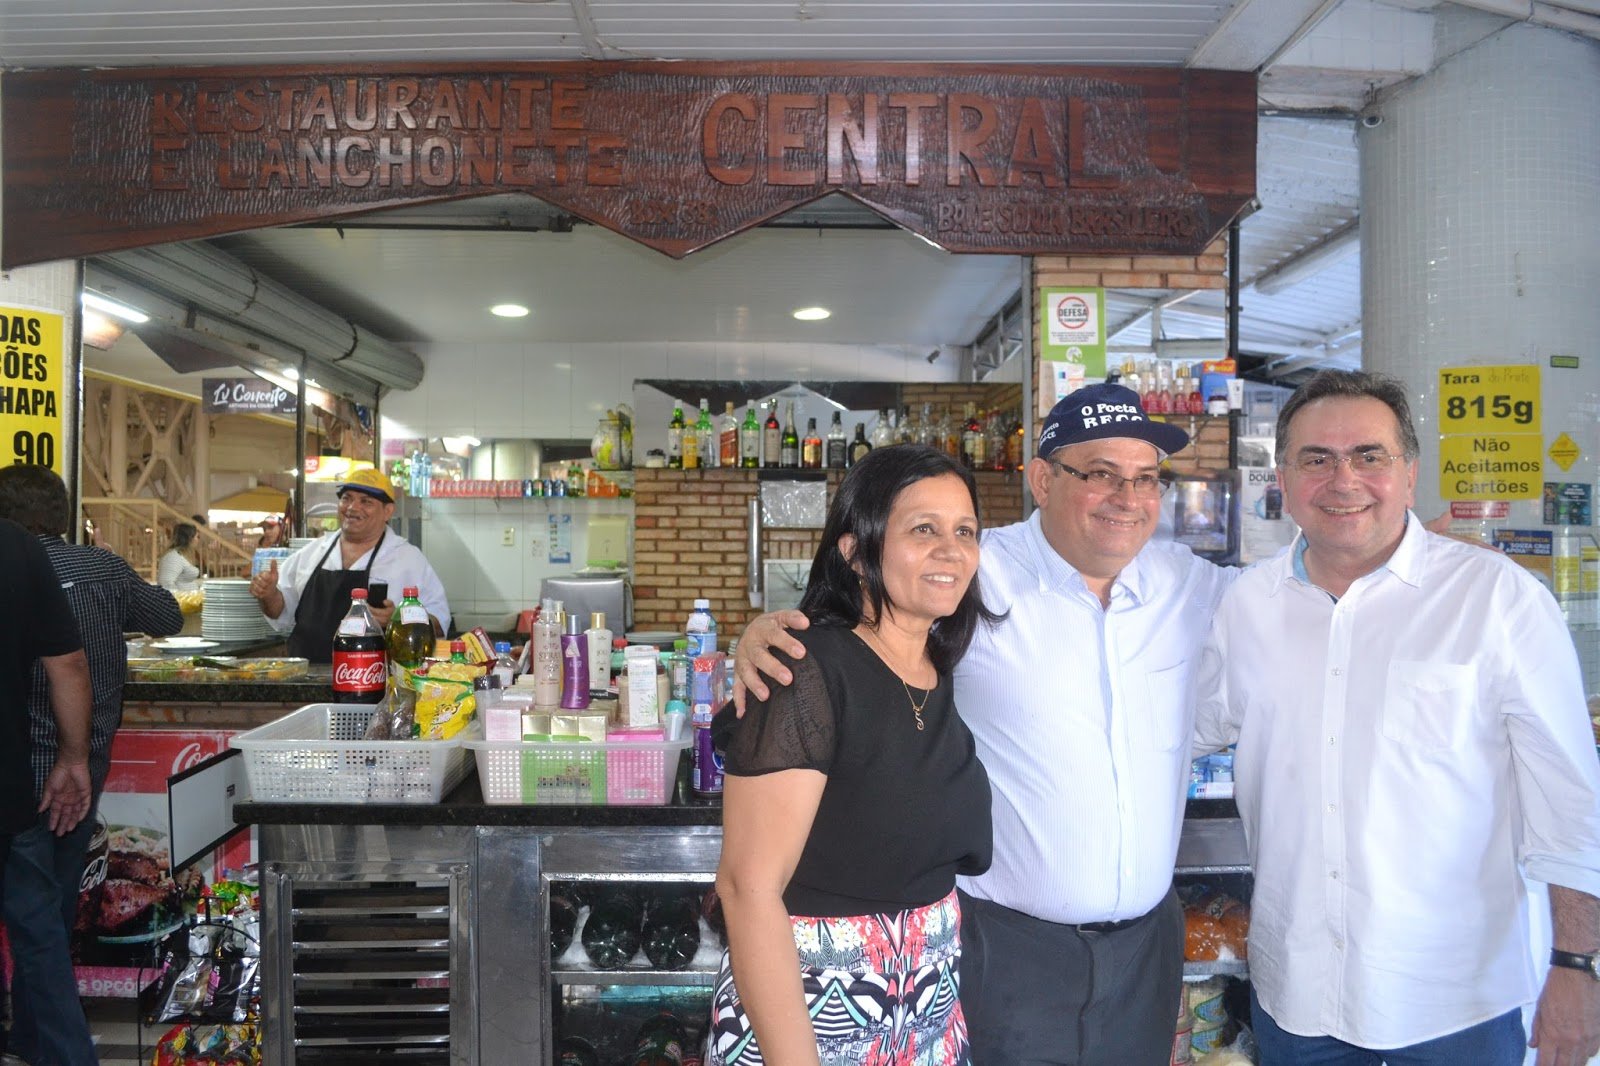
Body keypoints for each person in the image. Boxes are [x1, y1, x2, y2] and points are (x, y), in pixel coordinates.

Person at [736, 382, 1231, 1065]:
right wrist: (761, 633)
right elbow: (857, 619)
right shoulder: (971, 570)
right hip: (1006, 953)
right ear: (1041, 479)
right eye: (1101, 474)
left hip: (1143, 955)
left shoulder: (1190, 585)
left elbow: (1301, 597)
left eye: (1146, 479)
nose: (1129, 498)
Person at [1191, 369, 1600, 1065]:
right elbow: (1179, 732)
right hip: (1300, 999)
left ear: (1409, 476)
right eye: (1316, 459)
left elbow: (1569, 802)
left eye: (1369, 456)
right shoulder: (1247, 607)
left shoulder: (1496, 599)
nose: (1342, 478)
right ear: (1284, 480)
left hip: (1455, 1004)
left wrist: (1578, 965)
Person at [707, 444, 996, 1065]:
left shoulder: (933, 667)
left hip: (924, 1020)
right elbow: (747, 887)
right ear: (855, 551)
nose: (952, 549)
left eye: (965, 531)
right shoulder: (807, 672)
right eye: (924, 529)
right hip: (812, 1019)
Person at [0, 464, 183, 1066]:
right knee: (46, 914)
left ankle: (38, 1036)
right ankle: (44, 1039)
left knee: (37, 916)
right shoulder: (97, 567)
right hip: (78, 761)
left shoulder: (19, 561)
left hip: (21, 757)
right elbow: (169, 617)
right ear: (61, 510)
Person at [249, 467, 449, 661]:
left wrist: (399, 621)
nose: (353, 508)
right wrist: (269, 595)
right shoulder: (310, 555)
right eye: (347, 498)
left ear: (387, 511)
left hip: (371, 683)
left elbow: (440, 622)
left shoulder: (409, 560)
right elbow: (279, 613)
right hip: (306, 681)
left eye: (366, 501)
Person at [156, 521, 202, 591]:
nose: (198, 540)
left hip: (190, 600)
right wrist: (180, 599)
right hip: (181, 601)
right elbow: (165, 583)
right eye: (197, 537)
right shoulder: (172, 557)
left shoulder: (183, 555)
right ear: (189, 538)